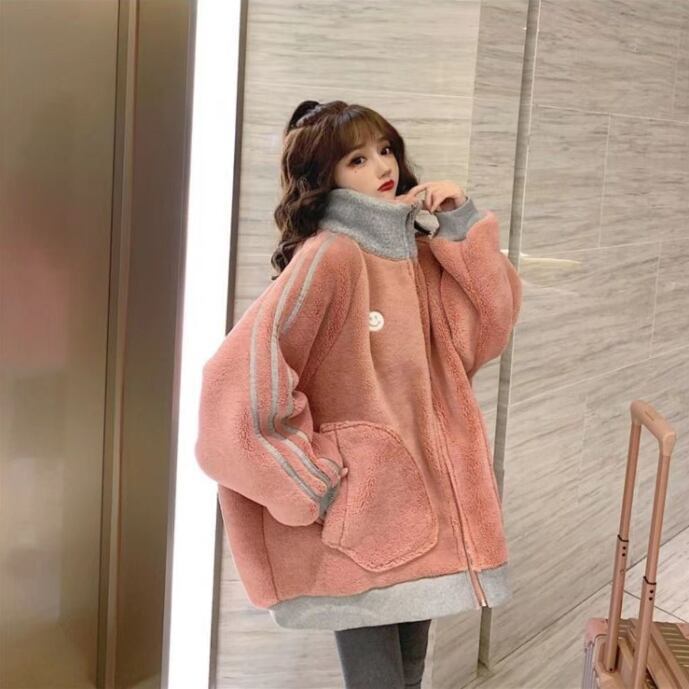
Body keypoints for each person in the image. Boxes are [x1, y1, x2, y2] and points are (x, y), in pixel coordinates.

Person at [195, 99, 523, 689]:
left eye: (385, 149)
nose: (382, 166)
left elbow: (487, 325)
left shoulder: (416, 254)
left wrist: (458, 222)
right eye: (357, 159)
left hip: (426, 507)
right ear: (327, 177)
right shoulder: (334, 255)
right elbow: (236, 378)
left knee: (409, 676)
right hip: (363, 515)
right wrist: (310, 478)